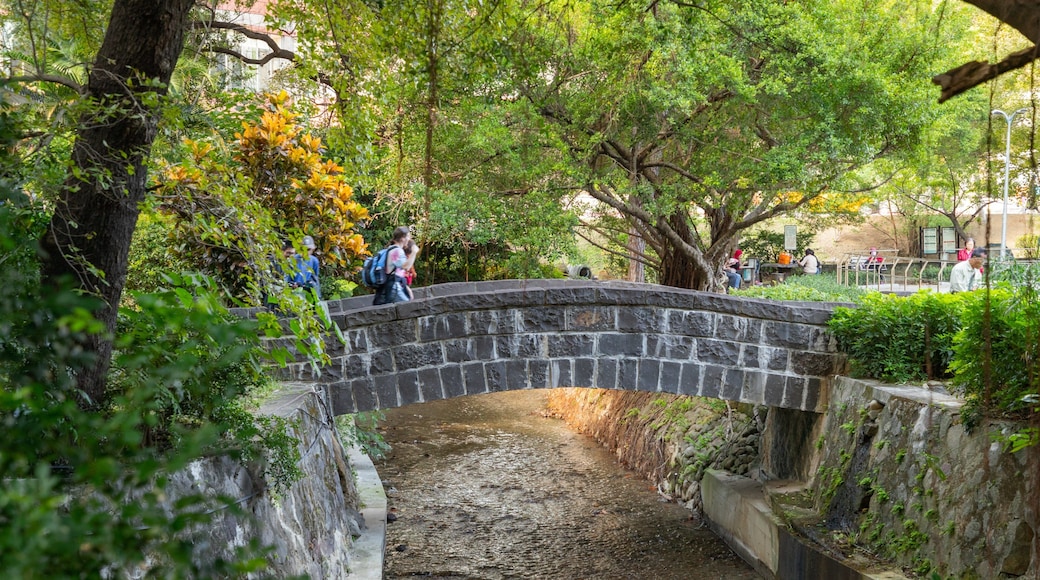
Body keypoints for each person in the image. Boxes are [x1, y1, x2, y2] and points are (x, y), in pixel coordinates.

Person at [374, 226, 418, 305]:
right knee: (408, 307)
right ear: (402, 238)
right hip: (393, 288)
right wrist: (414, 252)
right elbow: (406, 267)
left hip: (392, 287)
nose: (409, 239)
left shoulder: (392, 249)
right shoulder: (396, 251)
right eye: (408, 236)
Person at [292, 235, 321, 301]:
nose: (306, 252)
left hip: (307, 293)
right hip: (294, 293)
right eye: (303, 249)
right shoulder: (293, 260)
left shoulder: (314, 261)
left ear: (313, 250)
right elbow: (287, 278)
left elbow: (315, 279)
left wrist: (318, 297)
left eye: (308, 249)